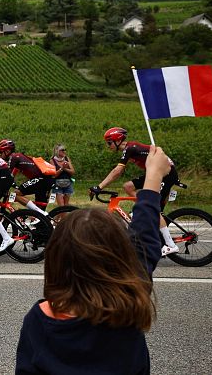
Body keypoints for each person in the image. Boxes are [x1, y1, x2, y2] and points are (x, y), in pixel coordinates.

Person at [16, 145, 170, 375]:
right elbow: (145, 235)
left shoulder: (39, 319)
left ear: (57, 259)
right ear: (121, 255)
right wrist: (153, 177)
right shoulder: (129, 297)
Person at [92, 127, 180, 256]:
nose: (108, 146)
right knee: (128, 186)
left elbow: (117, 171)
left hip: (166, 174)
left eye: (109, 142)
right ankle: (141, 208)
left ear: (117, 140)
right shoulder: (130, 148)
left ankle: (170, 245)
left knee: (153, 208)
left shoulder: (130, 148)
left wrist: (99, 187)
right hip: (157, 172)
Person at [0, 139, 54, 215]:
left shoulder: (13, 157)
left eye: (1, 152)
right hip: (47, 179)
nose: (0, 155)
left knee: (15, 195)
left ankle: (40, 213)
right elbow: (12, 175)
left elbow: (7, 174)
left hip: (39, 179)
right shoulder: (19, 157)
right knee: (39, 213)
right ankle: (41, 218)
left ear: (7, 151)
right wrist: (12, 183)